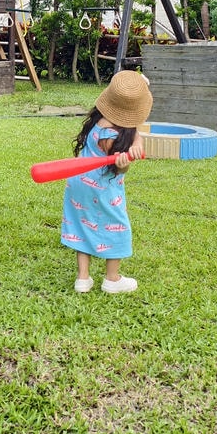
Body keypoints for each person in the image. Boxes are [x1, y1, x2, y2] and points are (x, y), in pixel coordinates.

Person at [61, 70, 152, 294]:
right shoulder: (116, 137)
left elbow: (133, 129)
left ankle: (83, 279)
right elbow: (120, 168)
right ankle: (112, 279)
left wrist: (136, 140)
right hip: (103, 188)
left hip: (78, 181)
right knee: (117, 225)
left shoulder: (98, 120)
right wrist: (124, 163)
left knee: (81, 224)